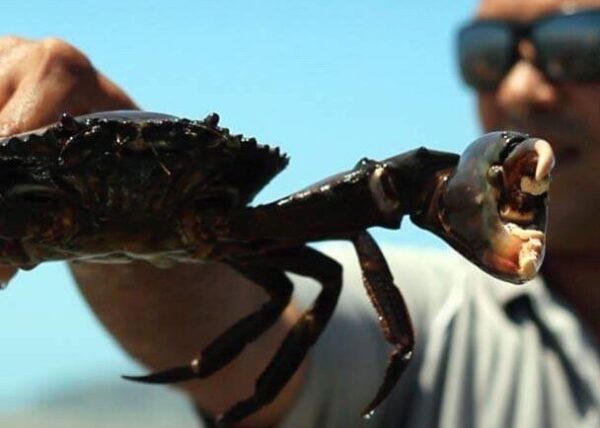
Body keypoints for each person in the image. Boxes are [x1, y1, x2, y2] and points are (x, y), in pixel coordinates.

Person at [0, 0, 598, 426]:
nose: (521, 89)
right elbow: (217, 322)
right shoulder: (443, 306)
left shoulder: (450, 330)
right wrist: (110, 215)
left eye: (577, 46)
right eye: (485, 56)